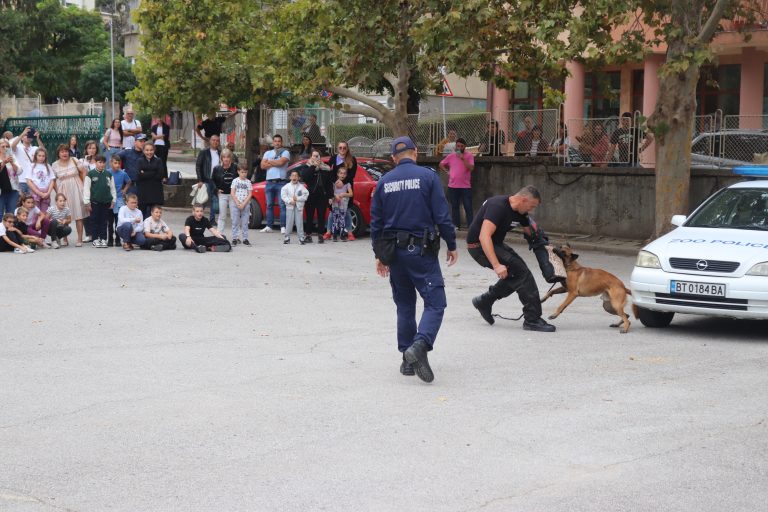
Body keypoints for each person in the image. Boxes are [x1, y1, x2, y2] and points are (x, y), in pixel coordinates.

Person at [369, 136, 458, 383]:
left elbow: (375, 223)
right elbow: (442, 215)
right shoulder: (428, 177)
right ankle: (420, 346)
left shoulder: (384, 182)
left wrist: (379, 255)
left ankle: (407, 361)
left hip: (394, 254)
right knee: (436, 302)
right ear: (415, 152)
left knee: (405, 305)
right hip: (421, 252)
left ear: (393, 158)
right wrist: (451, 244)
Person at [467, 185, 558, 333]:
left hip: (496, 244)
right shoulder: (497, 206)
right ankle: (532, 319)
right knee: (522, 273)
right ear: (523, 199)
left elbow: (532, 233)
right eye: (532, 206)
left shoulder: (520, 211)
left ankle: (484, 301)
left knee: (516, 273)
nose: (532, 210)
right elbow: (484, 236)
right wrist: (496, 265)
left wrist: (547, 252)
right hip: (478, 246)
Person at [52, 143, 88, 246]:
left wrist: (84, 186)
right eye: (62, 151)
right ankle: (65, 239)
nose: (64, 153)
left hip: (77, 188)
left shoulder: (75, 160)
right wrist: (58, 192)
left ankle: (79, 239)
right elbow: (53, 180)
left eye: (66, 151)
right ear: (58, 153)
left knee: (79, 215)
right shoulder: (54, 164)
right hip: (63, 191)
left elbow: (84, 172)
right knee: (64, 215)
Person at [323, 141, 358, 241]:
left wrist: (343, 182)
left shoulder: (352, 159)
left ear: (347, 148)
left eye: (344, 148)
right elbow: (329, 172)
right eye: (340, 147)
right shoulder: (333, 158)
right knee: (332, 212)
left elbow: (352, 174)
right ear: (337, 148)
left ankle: (350, 232)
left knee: (346, 211)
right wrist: (336, 181)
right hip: (334, 188)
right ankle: (329, 232)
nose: (342, 149)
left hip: (346, 186)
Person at [439, 137, 475, 230]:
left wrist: (463, 159)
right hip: (453, 186)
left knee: (468, 206)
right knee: (454, 206)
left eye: (461, 146)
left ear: (465, 146)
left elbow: (471, 168)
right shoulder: (451, 156)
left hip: (465, 186)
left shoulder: (469, 156)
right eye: (458, 146)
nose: (459, 148)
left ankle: (471, 226)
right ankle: (456, 225)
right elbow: (441, 164)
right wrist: (447, 171)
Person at [83, 155, 116, 248]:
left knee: (104, 221)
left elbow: (112, 189)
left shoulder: (108, 174)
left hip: (106, 202)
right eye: (99, 162)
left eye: (103, 162)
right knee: (94, 221)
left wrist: (113, 201)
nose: (101, 164)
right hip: (94, 202)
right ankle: (95, 239)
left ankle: (103, 239)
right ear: (95, 162)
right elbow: (86, 189)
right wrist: (87, 202)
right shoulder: (90, 174)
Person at [260, 134, 290, 234]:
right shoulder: (267, 152)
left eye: (279, 141)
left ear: (281, 143)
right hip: (269, 182)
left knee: (282, 205)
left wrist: (269, 161)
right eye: (275, 141)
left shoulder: (285, 152)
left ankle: (283, 226)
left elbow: (281, 163)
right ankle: (269, 226)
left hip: (281, 182)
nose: (277, 143)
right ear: (273, 142)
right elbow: (262, 166)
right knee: (269, 205)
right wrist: (275, 162)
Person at [301, 150, 331, 244]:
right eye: (314, 156)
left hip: (322, 194)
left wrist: (330, 196)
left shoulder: (325, 168)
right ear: (311, 157)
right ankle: (308, 235)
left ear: (320, 157)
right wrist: (314, 166)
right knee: (309, 216)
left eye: (317, 156)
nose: (316, 158)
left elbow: (329, 183)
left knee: (321, 215)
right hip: (310, 194)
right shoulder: (307, 166)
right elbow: (305, 177)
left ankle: (320, 235)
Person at [195, 133, 222, 223]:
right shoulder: (204, 152)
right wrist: (200, 180)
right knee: (204, 200)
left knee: (214, 200)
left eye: (217, 140)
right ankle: (197, 216)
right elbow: (198, 166)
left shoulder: (220, 153)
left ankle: (212, 220)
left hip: (216, 180)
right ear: (210, 141)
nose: (215, 142)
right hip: (206, 179)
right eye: (213, 140)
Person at [10, 126, 44, 196]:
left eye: (29, 135)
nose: (27, 137)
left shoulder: (35, 148)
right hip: (20, 180)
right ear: (22, 138)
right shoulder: (18, 148)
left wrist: (38, 138)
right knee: (20, 203)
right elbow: (12, 146)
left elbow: (43, 151)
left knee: (32, 203)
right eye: (25, 135)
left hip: (32, 180)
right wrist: (23, 133)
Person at [136, 142, 167, 218]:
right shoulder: (139, 160)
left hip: (155, 191)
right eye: (147, 150)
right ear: (143, 151)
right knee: (142, 214)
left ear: (154, 150)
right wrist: (154, 172)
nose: (149, 152)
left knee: (155, 214)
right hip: (143, 191)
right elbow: (139, 175)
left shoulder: (158, 160)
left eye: (151, 150)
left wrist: (145, 172)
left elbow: (160, 175)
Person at [212, 149, 238, 234]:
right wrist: (216, 189)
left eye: (228, 157)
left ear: (230, 158)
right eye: (224, 157)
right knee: (222, 215)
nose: (226, 159)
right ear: (221, 158)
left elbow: (241, 178)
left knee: (234, 216)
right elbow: (212, 181)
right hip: (222, 195)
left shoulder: (235, 167)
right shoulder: (217, 168)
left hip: (233, 195)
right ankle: (220, 234)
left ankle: (235, 236)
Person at [108, 154, 131, 247]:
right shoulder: (107, 172)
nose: (117, 165)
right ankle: (110, 239)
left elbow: (129, 182)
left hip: (120, 199)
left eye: (119, 163)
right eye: (115, 163)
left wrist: (125, 189)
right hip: (109, 199)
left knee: (118, 221)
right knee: (110, 222)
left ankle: (118, 239)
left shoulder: (123, 173)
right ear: (111, 163)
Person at [281, 169, 309, 244]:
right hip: (290, 207)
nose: (294, 177)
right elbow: (283, 196)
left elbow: (306, 195)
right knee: (289, 222)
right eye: (293, 175)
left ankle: (301, 237)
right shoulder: (286, 187)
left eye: (296, 176)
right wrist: (290, 201)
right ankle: (287, 237)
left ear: (299, 178)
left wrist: (298, 199)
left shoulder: (302, 187)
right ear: (290, 177)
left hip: (299, 207)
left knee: (299, 222)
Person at [27, 148, 55, 213]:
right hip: (35, 193)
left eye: (43, 156)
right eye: (39, 156)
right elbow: (29, 181)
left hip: (46, 193)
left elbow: (52, 180)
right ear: (36, 156)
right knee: (36, 212)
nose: (41, 158)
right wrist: (39, 192)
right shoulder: (31, 166)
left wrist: (48, 193)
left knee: (45, 212)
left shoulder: (48, 166)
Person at [229, 164, 252, 246]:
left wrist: (244, 203)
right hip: (236, 204)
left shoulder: (248, 182)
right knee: (235, 222)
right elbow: (232, 192)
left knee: (245, 222)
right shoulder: (235, 181)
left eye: (245, 172)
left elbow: (250, 194)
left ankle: (245, 238)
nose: (244, 174)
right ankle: (234, 238)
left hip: (245, 204)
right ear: (238, 172)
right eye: (242, 172)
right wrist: (237, 202)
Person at [329, 167, 353, 242]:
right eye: (341, 173)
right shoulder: (334, 183)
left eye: (344, 173)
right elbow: (331, 192)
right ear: (338, 174)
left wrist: (344, 194)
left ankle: (342, 234)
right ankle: (334, 235)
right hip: (335, 202)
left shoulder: (347, 184)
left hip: (343, 203)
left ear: (346, 175)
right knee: (335, 218)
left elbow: (351, 194)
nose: (342, 175)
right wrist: (335, 196)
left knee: (342, 218)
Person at [0, 138, 20, 214]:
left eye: (7, 146)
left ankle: (10, 226)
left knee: (11, 213)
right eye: (3, 146)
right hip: (1, 190)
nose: (5, 148)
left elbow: (19, 171)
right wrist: (3, 163)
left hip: (12, 189)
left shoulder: (12, 157)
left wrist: (12, 163)